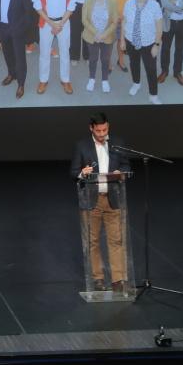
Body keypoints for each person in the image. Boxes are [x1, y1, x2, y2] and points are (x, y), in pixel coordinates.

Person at [71, 112, 133, 292]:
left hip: (114, 198)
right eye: (98, 130)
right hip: (91, 201)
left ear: (108, 127)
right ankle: (97, 279)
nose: (101, 134)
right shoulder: (81, 146)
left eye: (104, 130)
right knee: (93, 241)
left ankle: (118, 280)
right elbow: (73, 172)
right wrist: (83, 172)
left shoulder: (117, 143)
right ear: (91, 128)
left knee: (116, 240)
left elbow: (126, 166)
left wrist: (120, 173)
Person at [31, 0, 76, 94]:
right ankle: (43, 80)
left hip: (64, 22)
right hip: (47, 22)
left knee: (64, 51)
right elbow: (37, 7)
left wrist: (61, 23)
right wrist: (52, 24)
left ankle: (65, 79)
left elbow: (71, 5)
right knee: (44, 52)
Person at [120, 0, 164, 104]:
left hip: (148, 43)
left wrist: (156, 45)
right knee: (134, 64)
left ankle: (153, 95)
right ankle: (136, 83)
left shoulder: (155, 6)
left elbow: (159, 28)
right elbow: (124, 22)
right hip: (130, 40)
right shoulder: (128, 3)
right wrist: (122, 40)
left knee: (151, 69)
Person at [81, 0, 119, 93]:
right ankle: (92, 79)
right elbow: (84, 20)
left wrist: (104, 34)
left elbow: (115, 21)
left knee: (105, 59)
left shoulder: (112, 2)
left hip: (107, 36)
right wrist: (96, 33)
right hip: (92, 35)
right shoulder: (88, 1)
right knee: (93, 58)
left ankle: (105, 80)